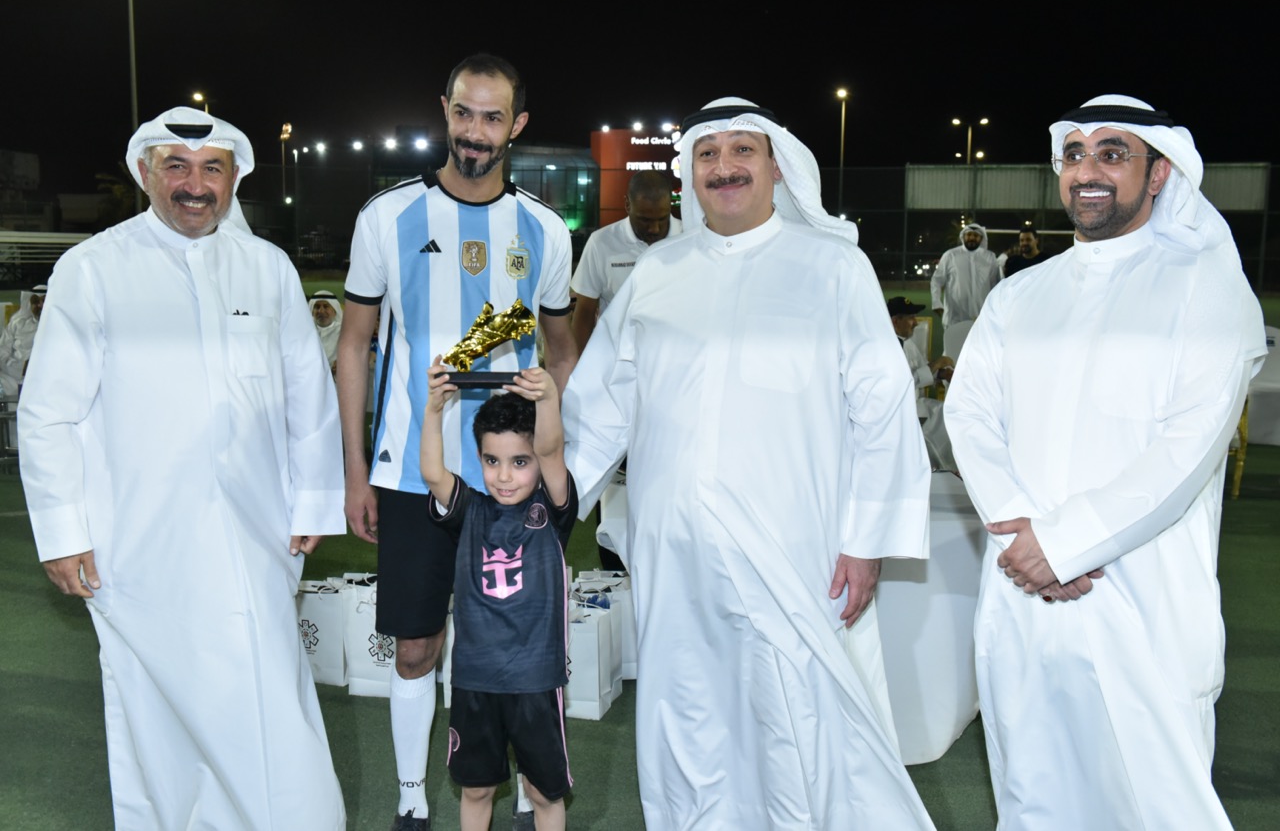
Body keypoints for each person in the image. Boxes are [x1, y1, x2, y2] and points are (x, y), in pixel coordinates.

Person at [562, 98, 935, 829]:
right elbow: (603, 404)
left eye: (743, 151)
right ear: (690, 173)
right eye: (708, 154)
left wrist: (867, 539)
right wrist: (551, 499)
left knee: (793, 713)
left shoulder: (834, 266)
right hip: (674, 544)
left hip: (793, 545)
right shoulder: (658, 271)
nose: (724, 167)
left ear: (776, 167)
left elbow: (883, 409)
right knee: (686, 707)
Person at [18, 106, 346, 829]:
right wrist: (64, 533)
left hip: (257, 538)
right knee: (155, 724)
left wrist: (315, 501)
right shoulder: (92, 270)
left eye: (211, 169)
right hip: (140, 551)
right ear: (145, 174)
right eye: (176, 167)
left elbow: (309, 397)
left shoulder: (267, 269)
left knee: (273, 704)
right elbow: (48, 413)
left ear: (234, 178)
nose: (194, 186)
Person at [946, 95, 1267, 829]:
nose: (1088, 170)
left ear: (1159, 173)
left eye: (1113, 153)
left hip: (1141, 599)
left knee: (1154, 806)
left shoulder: (1206, 287)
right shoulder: (1020, 294)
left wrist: (1063, 546)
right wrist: (1023, 533)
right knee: (1033, 796)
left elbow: (1187, 450)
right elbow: (968, 415)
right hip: (1022, 590)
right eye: (1075, 154)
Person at [336, 53, 576, 830]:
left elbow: (562, 350)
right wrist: (355, 472)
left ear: (518, 125)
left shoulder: (543, 229)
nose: (475, 131)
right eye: (464, 113)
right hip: (415, 474)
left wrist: (548, 445)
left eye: (493, 117)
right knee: (416, 647)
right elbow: (355, 345)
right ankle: (412, 800)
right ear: (445, 110)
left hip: (511, 481)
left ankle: (528, 796)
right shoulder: (387, 216)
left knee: (515, 647)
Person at [420, 361, 575, 831]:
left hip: (535, 679)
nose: (505, 476)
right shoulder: (471, 509)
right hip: (474, 679)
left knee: (543, 791)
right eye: (492, 461)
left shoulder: (551, 510)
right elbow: (432, 472)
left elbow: (551, 447)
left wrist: (548, 398)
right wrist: (433, 409)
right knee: (476, 788)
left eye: (519, 462)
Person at [569, 169, 680, 352]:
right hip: (616, 359)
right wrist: (578, 365)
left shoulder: (688, 238)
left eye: (662, 219)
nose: (654, 228)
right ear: (627, 204)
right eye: (644, 220)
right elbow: (584, 314)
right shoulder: (601, 243)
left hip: (674, 357)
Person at [887, 296, 955, 472]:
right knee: (942, 416)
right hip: (898, 412)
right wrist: (937, 364)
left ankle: (942, 466)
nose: (916, 323)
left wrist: (943, 373)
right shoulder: (889, 346)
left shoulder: (907, 343)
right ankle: (938, 467)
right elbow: (904, 383)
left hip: (915, 405)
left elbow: (922, 369)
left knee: (947, 413)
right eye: (911, 318)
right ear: (895, 321)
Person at [930, 222, 999, 327]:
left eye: (976, 235)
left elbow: (996, 285)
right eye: (969, 234)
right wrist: (936, 302)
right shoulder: (950, 255)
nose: (972, 238)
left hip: (981, 317)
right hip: (954, 318)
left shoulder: (990, 257)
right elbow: (937, 281)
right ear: (963, 236)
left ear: (981, 239)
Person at [0, 284, 45, 396]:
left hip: (44, 379)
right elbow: (2, 351)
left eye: (43, 301)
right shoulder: (18, 323)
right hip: (12, 378)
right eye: (35, 301)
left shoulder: (60, 327)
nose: (39, 305)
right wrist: (17, 368)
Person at [309, 288, 343, 373]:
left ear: (334, 310)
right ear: (312, 312)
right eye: (317, 307)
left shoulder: (344, 333)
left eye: (326, 306)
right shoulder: (305, 332)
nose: (321, 311)